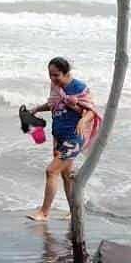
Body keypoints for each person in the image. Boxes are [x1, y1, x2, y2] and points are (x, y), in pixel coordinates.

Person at [25, 57, 100, 222]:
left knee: (51, 171)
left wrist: (82, 120)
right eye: (50, 75)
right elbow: (54, 104)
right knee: (66, 175)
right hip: (59, 135)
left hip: (75, 137)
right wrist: (38, 108)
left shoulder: (79, 87)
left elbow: (91, 110)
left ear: (66, 73)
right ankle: (75, 211)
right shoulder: (56, 86)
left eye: (56, 75)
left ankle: (44, 213)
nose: (52, 79)